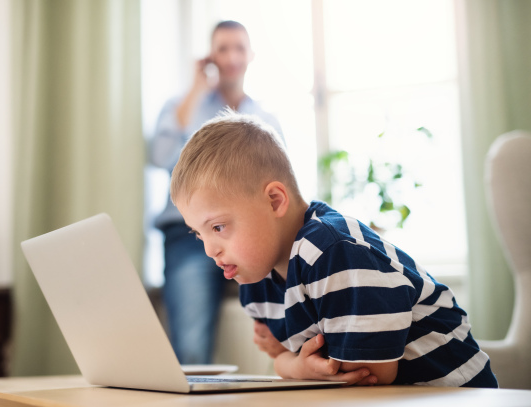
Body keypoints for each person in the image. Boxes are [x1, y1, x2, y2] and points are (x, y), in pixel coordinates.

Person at [169, 111, 499, 387]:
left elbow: (368, 376)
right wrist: (291, 364)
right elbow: (297, 364)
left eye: (218, 227)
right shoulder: (253, 280)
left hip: (457, 397)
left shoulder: (332, 250)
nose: (210, 250)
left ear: (274, 200)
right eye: (199, 235)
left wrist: (290, 365)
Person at [149, 20, 282, 364]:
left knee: (283, 330)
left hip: (248, 230)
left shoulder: (265, 118)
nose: (232, 56)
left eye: (239, 47)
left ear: (250, 55)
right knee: (191, 347)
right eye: (223, 48)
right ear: (210, 57)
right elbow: (161, 156)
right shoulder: (182, 107)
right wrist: (196, 88)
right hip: (187, 235)